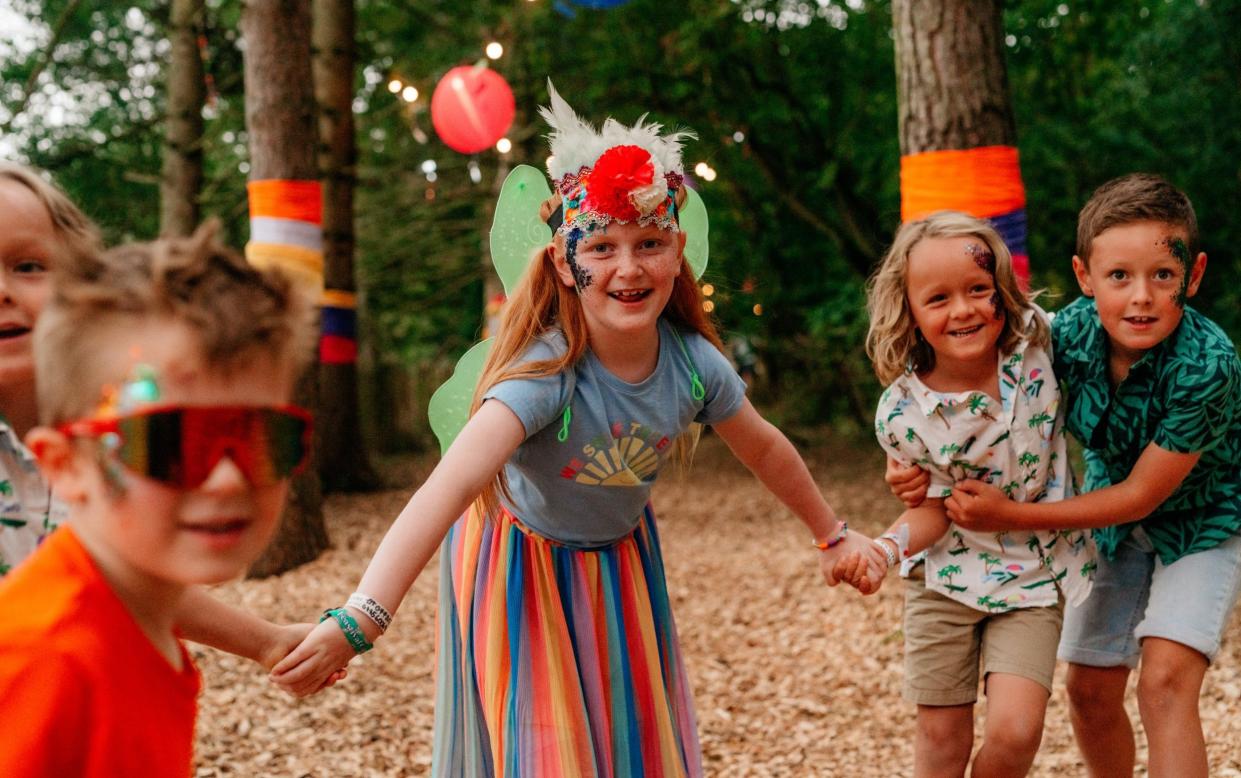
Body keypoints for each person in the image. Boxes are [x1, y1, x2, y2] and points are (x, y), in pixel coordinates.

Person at [270, 87, 884, 775]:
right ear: (566, 263)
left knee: (622, 741)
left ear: (676, 253)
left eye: (649, 244)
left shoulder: (693, 365)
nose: (629, 267)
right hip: (518, 566)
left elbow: (764, 446)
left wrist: (831, 534)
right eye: (602, 247)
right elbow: (447, 490)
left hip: (619, 562)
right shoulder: (543, 378)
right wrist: (362, 619)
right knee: (547, 755)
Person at [914, 174, 1241, 778]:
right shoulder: (1064, 338)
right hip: (1107, 522)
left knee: (1165, 681)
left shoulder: (1209, 366)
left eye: (1161, 276)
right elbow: (975, 387)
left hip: (1204, 521)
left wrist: (1009, 516)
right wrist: (907, 455)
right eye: (1119, 277)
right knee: (1089, 688)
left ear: (1192, 277)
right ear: (1085, 277)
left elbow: (1143, 495)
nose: (1140, 297)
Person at [0, 224, 318, 775]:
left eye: (262, 437)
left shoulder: (139, 616)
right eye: (170, 441)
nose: (225, 480)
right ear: (65, 466)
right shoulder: (43, 662)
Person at [845, 211, 1094, 777]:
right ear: (908, 310)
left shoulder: (1036, 344)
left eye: (978, 289)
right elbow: (930, 512)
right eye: (938, 299)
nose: (963, 309)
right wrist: (884, 551)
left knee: (1016, 731)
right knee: (940, 736)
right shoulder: (904, 415)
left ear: (1000, 292)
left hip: (1035, 575)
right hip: (945, 584)